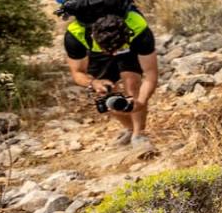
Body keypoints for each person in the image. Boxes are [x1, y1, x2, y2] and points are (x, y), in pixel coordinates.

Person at [63, 8, 159, 150]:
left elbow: (150, 74)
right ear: (93, 35)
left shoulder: (139, 28)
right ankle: (130, 128)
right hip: (97, 52)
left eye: (117, 49)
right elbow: (77, 73)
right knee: (105, 93)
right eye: (109, 50)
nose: (114, 53)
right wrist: (93, 83)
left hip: (129, 47)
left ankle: (139, 134)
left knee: (132, 84)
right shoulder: (75, 35)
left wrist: (141, 102)